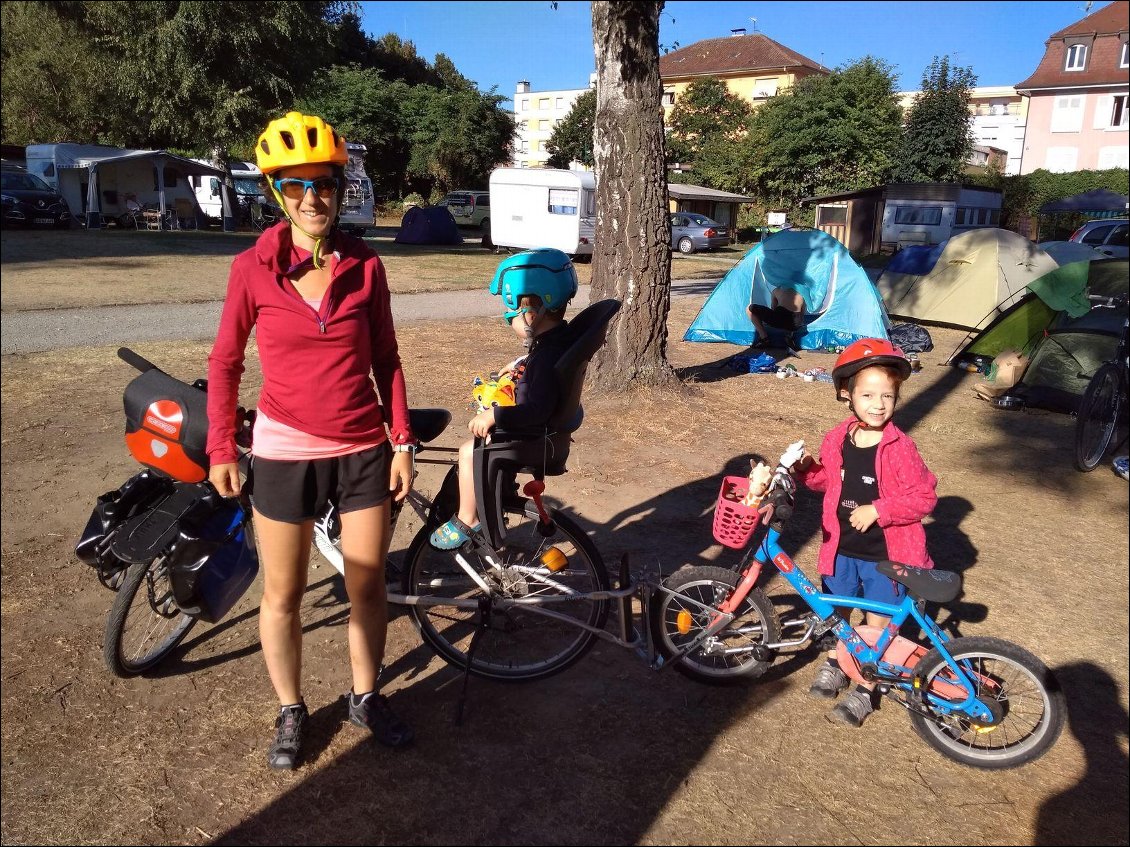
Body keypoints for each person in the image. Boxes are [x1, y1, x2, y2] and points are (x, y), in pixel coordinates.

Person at [205, 112, 417, 769]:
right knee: (283, 593)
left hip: (360, 447)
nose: (312, 198)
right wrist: (219, 447)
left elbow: (386, 355)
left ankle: (364, 694)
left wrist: (402, 440)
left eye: (324, 183)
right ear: (277, 192)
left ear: (339, 187)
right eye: (296, 186)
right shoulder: (252, 267)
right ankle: (292, 709)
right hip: (284, 449)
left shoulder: (366, 266)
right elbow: (224, 362)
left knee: (368, 584)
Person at [792, 338, 938, 727]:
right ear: (846, 394)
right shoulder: (837, 438)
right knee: (838, 612)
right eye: (868, 394)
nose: (878, 404)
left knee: (876, 623)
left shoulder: (900, 448)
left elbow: (924, 497)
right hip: (840, 548)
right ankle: (838, 662)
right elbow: (829, 482)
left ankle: (867, 687)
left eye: (887, 396)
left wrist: (880, 509)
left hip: (884, 557)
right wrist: (808, 469)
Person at [429, 248, 578, 549]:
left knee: (468, 451)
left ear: (531, 315)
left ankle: (467, 518)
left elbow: (536, 409)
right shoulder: (556, 343)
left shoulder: (545, 359)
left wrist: (495, 416)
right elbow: (542, 371)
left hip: (529, 436)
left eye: (510, 311)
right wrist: (522, 362)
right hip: (544, 436)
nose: (507, 317)